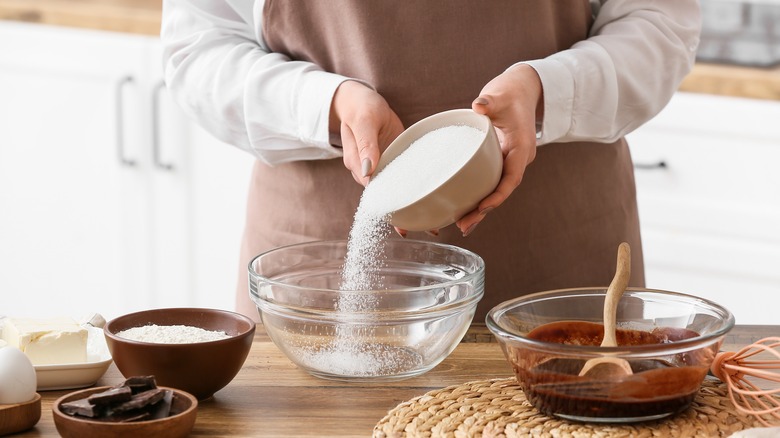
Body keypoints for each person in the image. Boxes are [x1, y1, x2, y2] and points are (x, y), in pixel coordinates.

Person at [160, 0, 701, 322]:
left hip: (556, 265)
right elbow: (199, 52)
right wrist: (325, 104)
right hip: (318, 264)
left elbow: (658, 24)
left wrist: (548, 90)